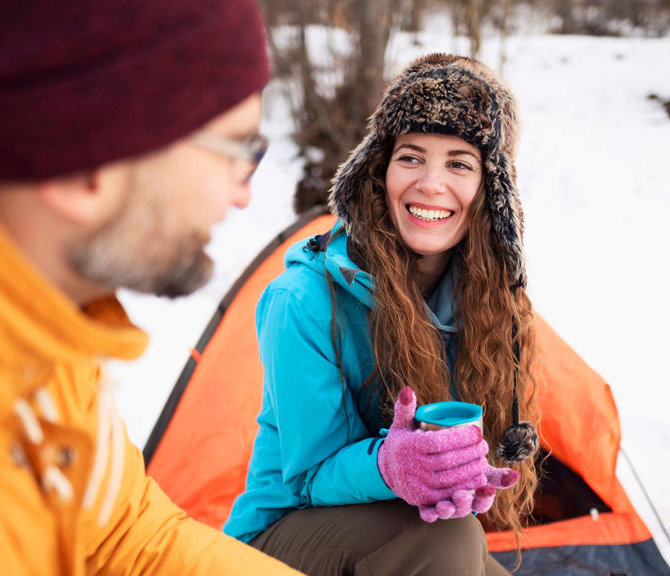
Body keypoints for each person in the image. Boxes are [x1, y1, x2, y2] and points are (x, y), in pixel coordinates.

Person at [0, 0, 301, 574]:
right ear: (86, 165)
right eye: (238, 151)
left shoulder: (30, 325)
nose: (244, 194)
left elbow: (121, 538)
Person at [224, 53, 543, 575]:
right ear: (380, 170)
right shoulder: (302, 300)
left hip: (401, 533)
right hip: (278, 539)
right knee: (449, 542)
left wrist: (458, 471)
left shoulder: (486, 301)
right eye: (411, 157)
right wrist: (393, 464)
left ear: (491, 191)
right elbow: (304, 479)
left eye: (459, 163)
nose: (430, 184)